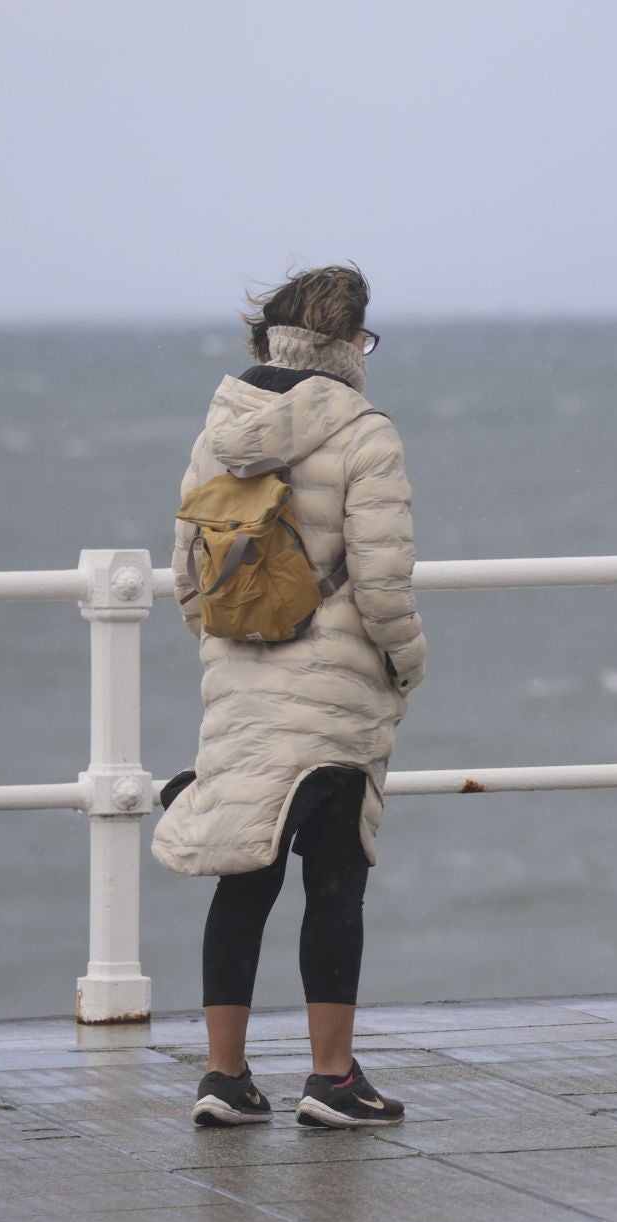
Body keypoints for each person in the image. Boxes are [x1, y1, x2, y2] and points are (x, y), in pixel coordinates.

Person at [153, 265, 427, 1124]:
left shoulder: (221, 426)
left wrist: (229, 649)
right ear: (350, 341)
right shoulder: (365, 433)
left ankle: (223, 1078)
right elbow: (382, 585)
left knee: (245, 872)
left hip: (239, 678)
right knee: (336, 877)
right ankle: (332, 1078)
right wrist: (408, 662)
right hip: (335, 687)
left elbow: (188, 575)